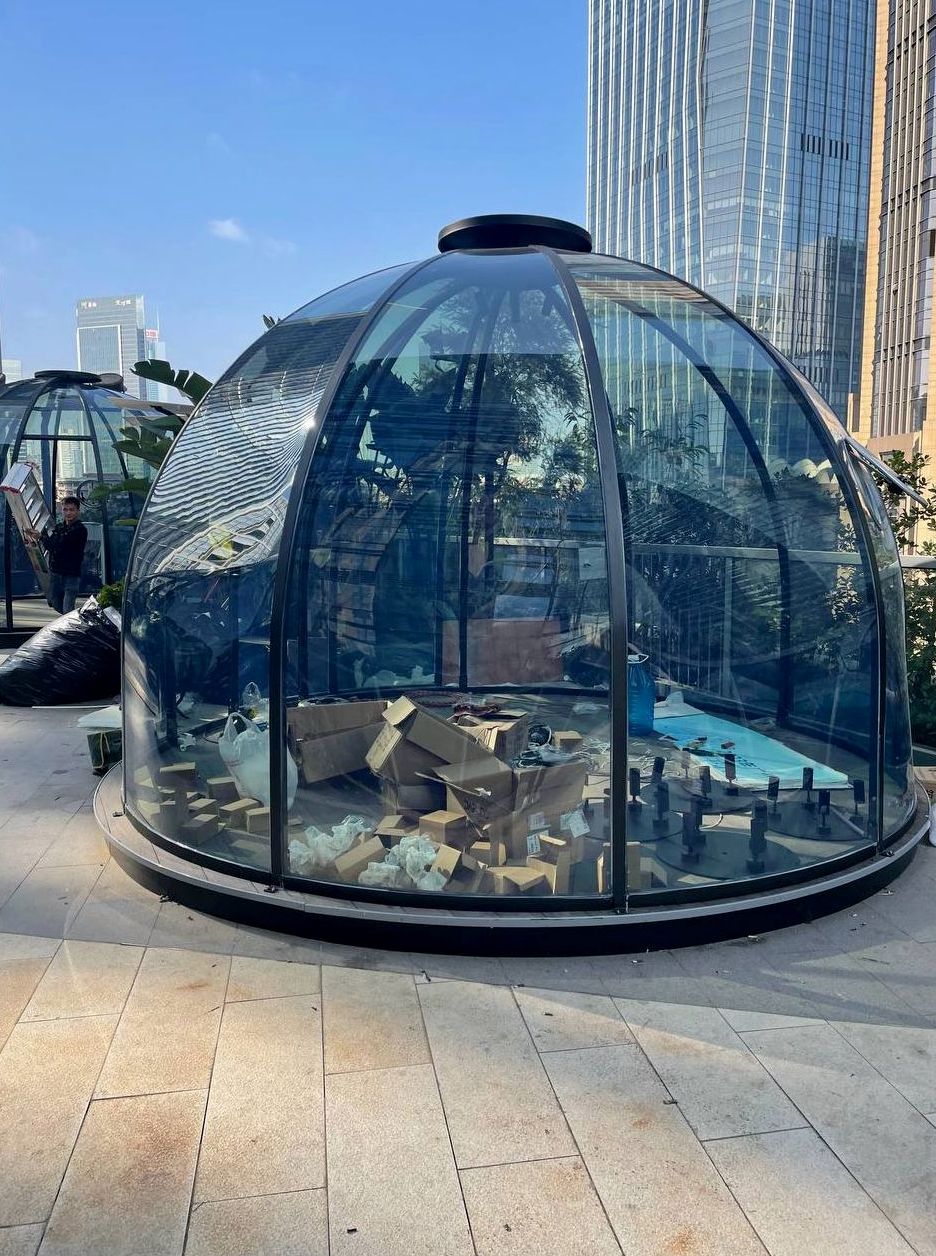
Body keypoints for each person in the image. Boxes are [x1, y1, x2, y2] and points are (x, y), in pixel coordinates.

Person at [31, 497, 88, 614]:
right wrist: (42, 537)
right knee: (56, 604)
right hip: (56, 573)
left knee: (67, 609)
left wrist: (41, 537)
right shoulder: (60, 527)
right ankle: (73, 622)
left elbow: (58, 545)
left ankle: (72, 623)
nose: (68, 513)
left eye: (71, 510)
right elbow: (51, 545)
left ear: (77, 511)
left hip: (71, 575)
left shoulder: (80, 530)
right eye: (65, 509)